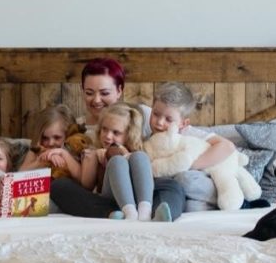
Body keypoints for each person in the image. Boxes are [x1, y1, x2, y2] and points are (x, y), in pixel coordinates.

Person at [51, 59, 185, 220]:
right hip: (103, 194)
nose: (96, 100)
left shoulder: (142, 114)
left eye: (104, 93)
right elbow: (85, 182)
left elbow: (185, 133)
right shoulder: (77, 129)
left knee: (173, 186)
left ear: (119, 90)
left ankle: (156, 214)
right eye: (89, 92)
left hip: (141, 188)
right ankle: (112, 213)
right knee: (59, 187)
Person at [149, 81, 268, 209]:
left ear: (183, 123)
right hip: (180, 191)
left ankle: (238, 201)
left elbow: (227, 146)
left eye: (169, 119)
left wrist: (192, 165)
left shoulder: (189, 133)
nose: (159, 123)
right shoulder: (150, 140)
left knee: (184, 179)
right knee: (190, 207)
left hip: (201, 177)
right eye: (155, 114)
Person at [78, 102, 160, 221]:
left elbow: (147, 177)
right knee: (117, 161)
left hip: (137, 196)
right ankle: (130, 213)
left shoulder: (137, 151)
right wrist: (94, 157)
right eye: (104, 129)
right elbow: (87, 185)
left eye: (116, 132)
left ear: (128, 135)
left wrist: (125, 154)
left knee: (140, 157)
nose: (108, 136)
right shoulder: (95, 152)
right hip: (110, 199)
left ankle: (145, 211)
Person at [18, 105, 82, 179]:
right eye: (45, 138)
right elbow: (19, 174)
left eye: (57, 137)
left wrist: (63, 154)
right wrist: (41, 162)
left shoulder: (73, 150)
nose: (51, 143)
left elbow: (82, 179)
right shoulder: (35, 151)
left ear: (68, 135)